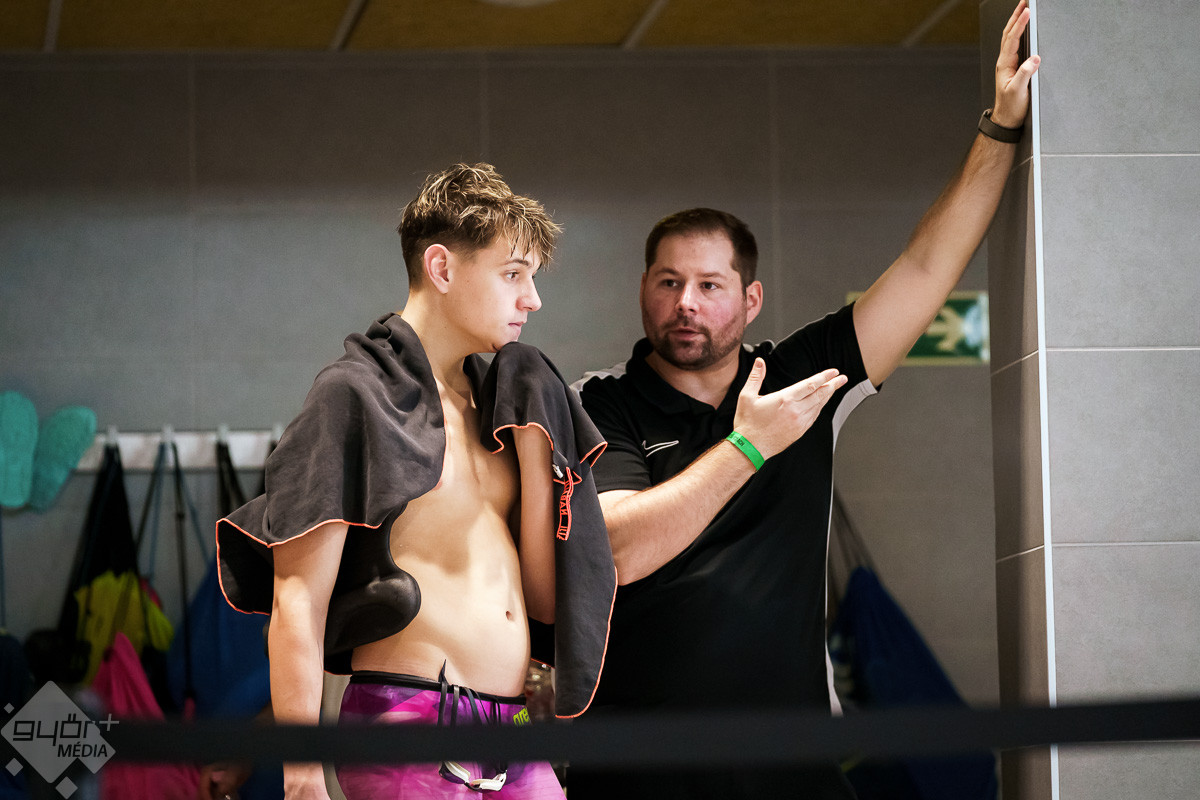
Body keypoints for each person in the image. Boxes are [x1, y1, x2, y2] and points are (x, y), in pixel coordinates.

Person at [571, 4, 1041, 798]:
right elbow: (618, 550)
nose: (686, 303)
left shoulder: (803, 377)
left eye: (710, 285)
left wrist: (998, 127)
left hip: (790, 759)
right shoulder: (597, 401)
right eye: (669, 282)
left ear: (750, 299)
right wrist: (748, 446)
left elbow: (927, 267)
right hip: (637, 762)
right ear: (643, 289)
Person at [215, 163, 615, 800]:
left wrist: (539, 455)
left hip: (513, 726)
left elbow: (543, 602)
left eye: (533, 278)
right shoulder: (353, 395)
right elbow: (298, 601)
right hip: (409, 720)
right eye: (513, 274)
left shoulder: (501, 409)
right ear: (442, 268)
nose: (532, 299)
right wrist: (302, 777)